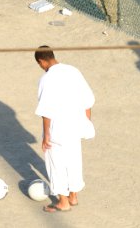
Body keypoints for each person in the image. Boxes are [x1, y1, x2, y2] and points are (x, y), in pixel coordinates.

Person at [34, 46, 95, 212]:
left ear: (41, 62)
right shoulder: (73, 71)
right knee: (74, 161)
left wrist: (46, 135)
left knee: (56, 164)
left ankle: (63, 202)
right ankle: (73, 197)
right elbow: (87, 99)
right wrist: (85, 123)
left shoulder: (46, 79)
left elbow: (46, 110)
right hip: (76, 125)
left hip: (58, 129)